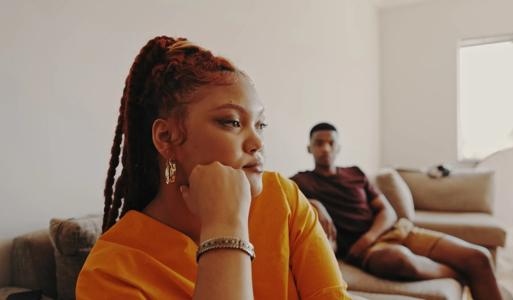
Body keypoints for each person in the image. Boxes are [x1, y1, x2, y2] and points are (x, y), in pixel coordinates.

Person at [76, 37, 350, 300]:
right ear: (166, 137)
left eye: (260, 125)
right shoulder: (110, 271)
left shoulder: (282, 198)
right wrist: (226, 227)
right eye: (231, 122)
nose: (257, 142)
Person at [291, 122, 503, 300]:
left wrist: (369, 237)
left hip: (401, 232)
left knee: (480, 257)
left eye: (331, 143)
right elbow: (281, 196)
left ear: (338, 148)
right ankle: (461, 274)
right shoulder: (301, 181)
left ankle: (468, 271)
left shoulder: (355, 173)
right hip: (368, 252)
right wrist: (314, 203)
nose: (326, 148)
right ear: (309, 148)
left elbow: (387, 211)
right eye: (319, 143)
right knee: (396, 259)